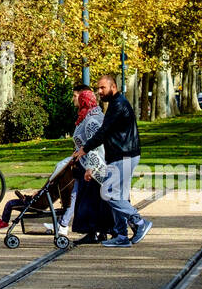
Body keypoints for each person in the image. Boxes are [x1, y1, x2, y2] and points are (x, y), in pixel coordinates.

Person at [74, 74, 151, 247]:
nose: (99, 91)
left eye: (103, 88)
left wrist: (84, 149)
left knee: (109, 194)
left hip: (124, 155)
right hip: (122, 154)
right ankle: (121, 235)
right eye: (98, 88)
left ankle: (139, 223)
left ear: (113, 87)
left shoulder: (118, 105)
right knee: (119, 195)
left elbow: (103, 132)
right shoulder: (116, 104)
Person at [56, 84, 115, 243]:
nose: (74, 100)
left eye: (77, 98)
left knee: (89, 201)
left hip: (93, 167)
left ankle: (94, 232)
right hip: (86, 164)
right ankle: (98, 231)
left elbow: (95, 145)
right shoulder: (88, 117)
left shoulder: (91, 120)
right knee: (93, 200)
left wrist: (91, 167)